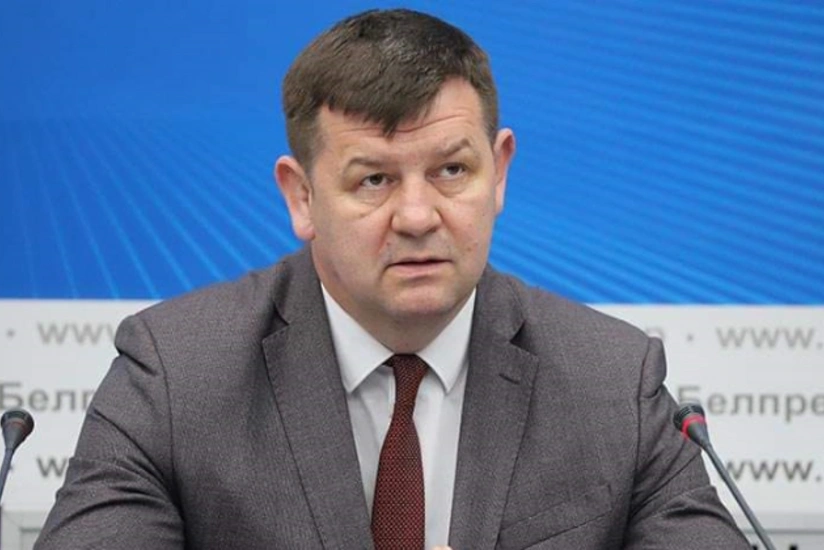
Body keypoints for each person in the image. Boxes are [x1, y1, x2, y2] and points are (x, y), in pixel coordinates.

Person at [34, 8, 750, 550]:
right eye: (373, 179)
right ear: (301, 197)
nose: (417, 216)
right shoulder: (176, 378)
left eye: (452, 170)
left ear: (499, 172)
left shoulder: (613, 383)